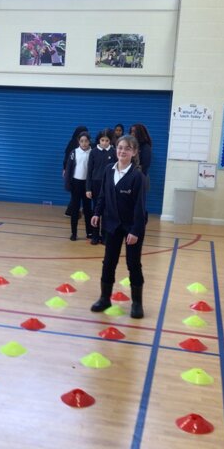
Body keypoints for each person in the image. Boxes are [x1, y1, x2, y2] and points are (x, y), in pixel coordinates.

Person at [90, 135, 147, 318]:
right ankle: (104, 298)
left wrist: (135, 231)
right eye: (120, 147)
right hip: (112, 224)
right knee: (109, 262)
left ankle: (137, 303)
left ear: (134, 152)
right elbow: (103, 195)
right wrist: (97, 213)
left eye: (127, 148)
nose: (123, 151)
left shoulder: (137, 177)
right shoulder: (109, 170)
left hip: (132, 227)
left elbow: (140, 207)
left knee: (133, 264)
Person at [85, 128, 117, 245]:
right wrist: (88, 188)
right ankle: (95, 235)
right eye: (102, 140)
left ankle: (104, 235)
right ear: (99, 140)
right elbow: (89, 171)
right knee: (96, 210)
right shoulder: (93, 152)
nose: (104, 143)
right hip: (96, 184)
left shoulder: (113, 152)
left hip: (109, 185)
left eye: (107, 140)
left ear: (110, 141)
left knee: (106, 211)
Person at [64, 131, 93, 241]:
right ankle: (74, 233)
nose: (84, 143)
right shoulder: (74, 152)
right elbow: (68, 169)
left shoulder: (92, 152)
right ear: (78, 142)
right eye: (82, 141)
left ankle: (89, 232)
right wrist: (68, 184)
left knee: (88, 209)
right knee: (75, 209)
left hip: (87, 185)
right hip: (76, 184)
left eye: (86, 141)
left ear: (89, 141)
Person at [62, 124, 89, 216]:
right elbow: (67, 157)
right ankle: (71, 211)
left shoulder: (86, 145)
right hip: (74, 173)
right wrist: (65, 169)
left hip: (82, 173)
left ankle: (76, 211)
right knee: (75, 195)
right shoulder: (73, 143)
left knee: (79, 195)